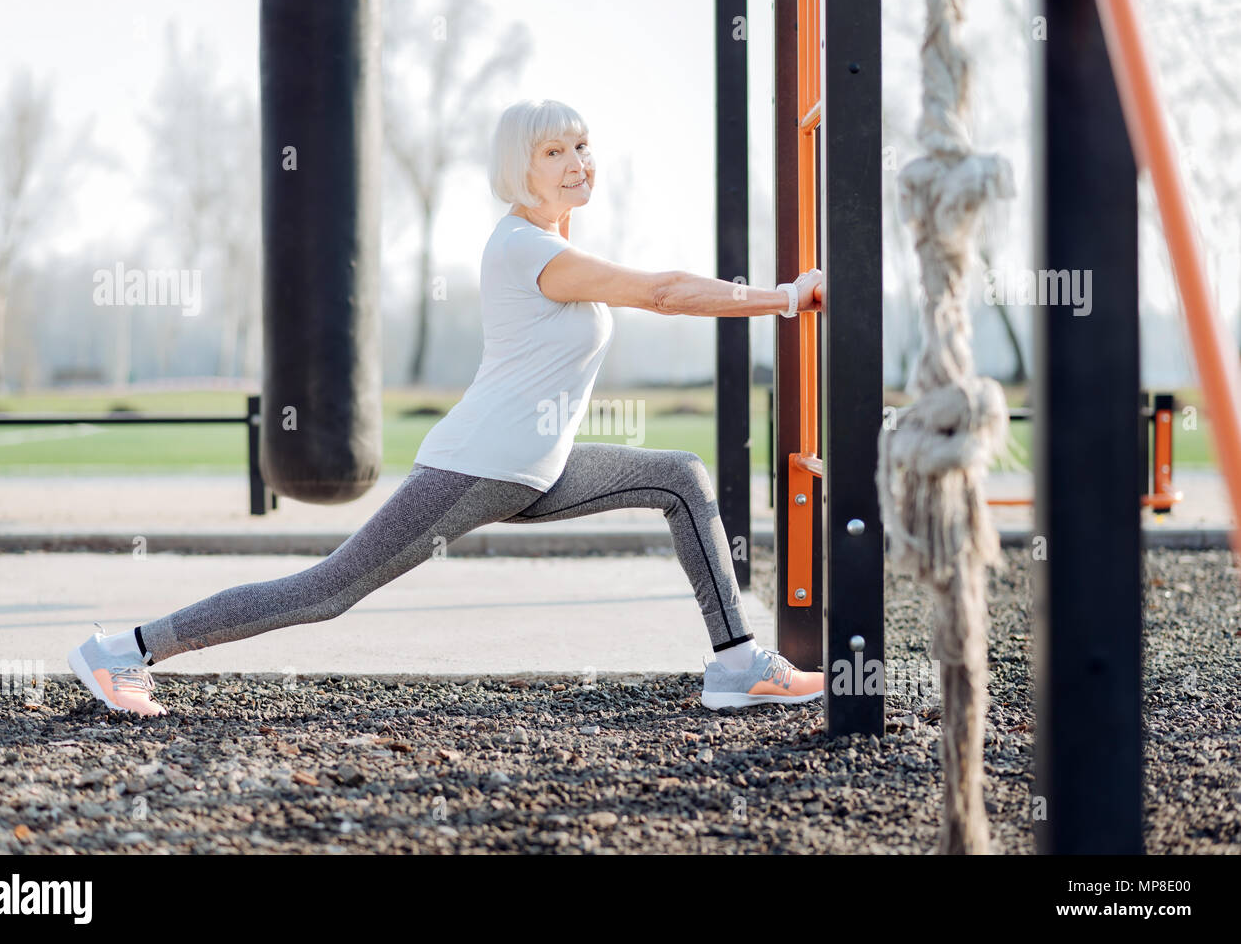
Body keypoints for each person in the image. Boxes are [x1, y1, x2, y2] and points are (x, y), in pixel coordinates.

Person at [68, 98, 825, 717]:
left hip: (535, 470)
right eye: (554, 151)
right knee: (327, 590)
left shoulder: (547, 244)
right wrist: (785, 298)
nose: (577, 161)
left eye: (582, 146)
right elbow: (662, 293)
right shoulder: (527, 250)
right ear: (520, 168)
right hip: (477, 466)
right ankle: (122, 651)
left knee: (681, 477)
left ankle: (736, 665)